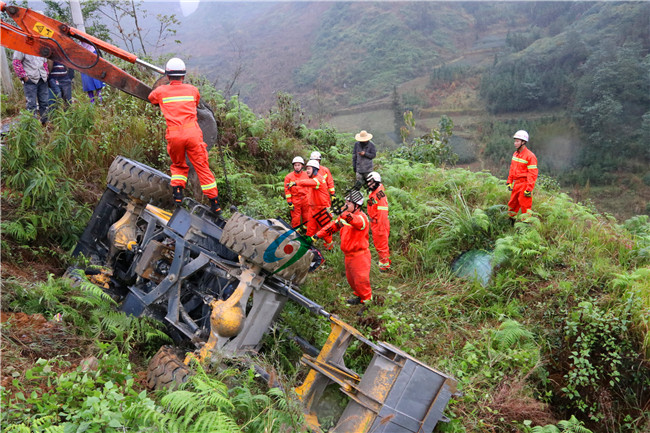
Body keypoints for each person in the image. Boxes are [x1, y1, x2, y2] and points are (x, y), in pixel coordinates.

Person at [148, 57, 221, 215]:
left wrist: (162, 85)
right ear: (183, 76)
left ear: (167, 76)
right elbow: (195, 103)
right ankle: (215, 205)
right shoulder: (192, 90)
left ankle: (178, 197)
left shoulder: (161, 91)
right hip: (192, 133)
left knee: (179, 165)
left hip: (174, 135)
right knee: (202, 167)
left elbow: (151, 98)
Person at [313, 191, 371, 305]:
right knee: (352, 280)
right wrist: (317, 235)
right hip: (348, 255)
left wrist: (342, 212)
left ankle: (367, 302)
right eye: (345, 202)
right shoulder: (345, 217)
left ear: (357, 205)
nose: (345, 205)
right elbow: (333, 226)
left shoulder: (361, 218)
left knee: (361, 280)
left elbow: (355, 221)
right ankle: (359, 296)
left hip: (359, 256)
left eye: (348, 203)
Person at [286, 160, 333, 250]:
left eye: (309, 169)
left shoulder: (318, 179)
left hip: (322, 209)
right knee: (310, 229)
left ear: (315, 169)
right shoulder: (313, 179)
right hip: (313, 209)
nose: (307, 171)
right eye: (306, 169)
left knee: (326, 231)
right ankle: (308, 248)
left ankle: (329, 249)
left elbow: (308, 183)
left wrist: (296, 183)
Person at [506, 130, 538, 219]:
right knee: (512, 204)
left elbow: (533, 174)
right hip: (516, 184)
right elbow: (512, 169)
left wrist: (529, 189)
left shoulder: (530, 156)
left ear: (523, 142)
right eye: (515, 141)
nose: (515, 143)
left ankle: (526, 227)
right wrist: (509, 181)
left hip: (525, 184)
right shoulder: (515, 154)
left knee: (525, 207)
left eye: (517, 141)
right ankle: (510, 224)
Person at [12, 51, 49, 124]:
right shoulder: (21, 47)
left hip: (42, 78)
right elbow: (16, 62)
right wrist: (24, 76)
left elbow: (45, 63)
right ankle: (32, 125)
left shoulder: (38, 47)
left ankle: (45, 122)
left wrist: (46, 74)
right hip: (30, 79)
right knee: (31, 104)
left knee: (44, 102)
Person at [366, 172, 391, 271]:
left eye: (371, 183)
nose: (369, 184)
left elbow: (382, 213)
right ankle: (383, 261)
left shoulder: (380, 195)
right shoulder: (375, 192)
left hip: (380, 223)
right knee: (379, 244)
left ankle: (384, 266)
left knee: (381, 245)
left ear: (376, 182)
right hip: (376, 222)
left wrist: (380, 227)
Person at [284, 156, 310, 229]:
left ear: (302, 165)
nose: (297, 167)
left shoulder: (307, 175)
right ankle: (296, 234)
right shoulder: (289, 177)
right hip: (295, 200)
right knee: (296, 218)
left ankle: (306, 232)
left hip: (306, 199)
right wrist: (289, 202)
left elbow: (311, 185)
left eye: (299, 165)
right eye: (295, 165)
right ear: (293, 166)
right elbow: (287, 190)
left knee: (307, 216)